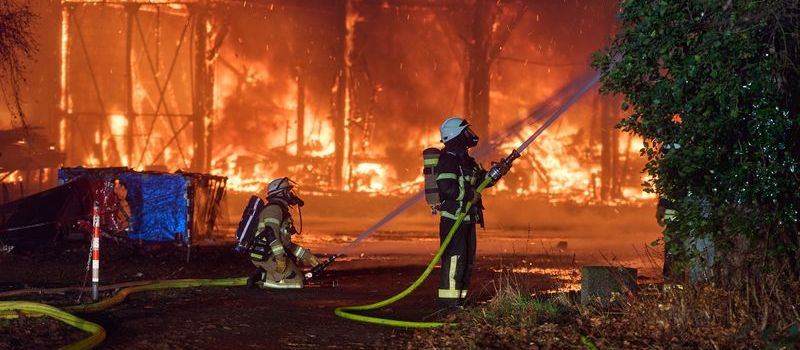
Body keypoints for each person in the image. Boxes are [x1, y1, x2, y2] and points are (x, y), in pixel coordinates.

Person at [435, 117, 491, 308]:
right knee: (454, 260)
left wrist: (499, 171)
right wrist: (469, 195)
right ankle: (449, 303)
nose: (470, 135)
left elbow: (484, 180)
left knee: (466, 261)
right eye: (465, 132)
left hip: (467, 219)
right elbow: (446, 188)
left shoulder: (467, 161)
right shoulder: (448, 160)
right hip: (453, 219)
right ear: (456, 136)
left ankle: (460, 300)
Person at [247, 177, 320, 289]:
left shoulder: (280, 210)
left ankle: (267, 274)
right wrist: (281, 259)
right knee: (297, 283)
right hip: (266, 255)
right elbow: (271, 235)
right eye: (288, 191)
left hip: (273, 254)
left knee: (300, 277)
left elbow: (287, 244)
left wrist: (309, 257)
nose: (291, 195)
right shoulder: (273, 210)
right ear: (281, 193)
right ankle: (262, 279)